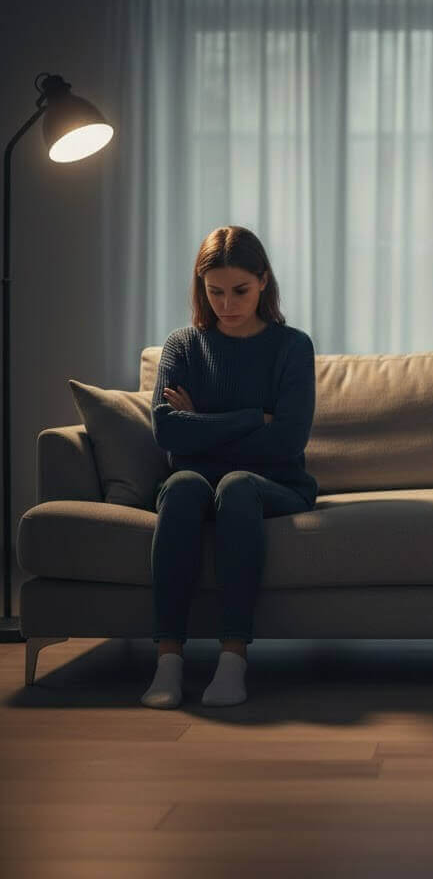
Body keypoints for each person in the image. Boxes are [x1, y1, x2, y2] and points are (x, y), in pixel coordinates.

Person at [141, 225, 319, 709]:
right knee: (180, 485)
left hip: (278, 484)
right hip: (196, 481)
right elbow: (167, 434)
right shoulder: (182, 345)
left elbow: (287, 442)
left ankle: (233, 660)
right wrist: (248, 419)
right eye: (213, 291)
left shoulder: (292, 347)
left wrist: (201, 422)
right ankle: (168, 661)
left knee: (237, 484)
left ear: (263, 281)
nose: (226, 303)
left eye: (239, 290)